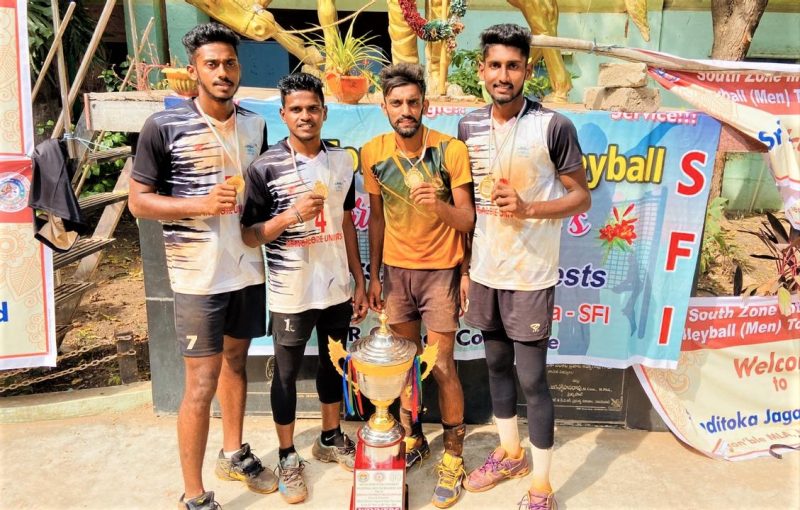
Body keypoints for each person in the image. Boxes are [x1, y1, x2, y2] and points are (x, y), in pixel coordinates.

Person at [128, 23, 277, 510]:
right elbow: (138, 202)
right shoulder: (163, 126)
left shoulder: (254, 124)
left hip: (246, 269)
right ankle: (193, 495)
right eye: (211, 64)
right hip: (197, 276)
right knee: (200, 383)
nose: (222, 72)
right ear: (193, 71)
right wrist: (200, 204)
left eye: (230, 63)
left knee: (237, 363)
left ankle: (233, 453)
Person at [457, 24, 591, 510]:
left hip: (531, 274)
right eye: (495, 65)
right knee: (495, 365)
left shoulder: (553, 126)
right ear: (481, 69)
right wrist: (466, 270)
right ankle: (511, 454)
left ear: (528, 70)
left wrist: (529, 207)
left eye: (513, 66)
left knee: (532, 379)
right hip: (486, 269)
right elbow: (468, 208)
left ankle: (542, 485)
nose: (503, 75)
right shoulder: (468, 126)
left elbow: (581, 197)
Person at [240, 72, 369, 504]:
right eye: (296, 109)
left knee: (334, 364)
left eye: (313, 108)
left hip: (335, 286)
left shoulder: (341, 161)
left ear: (324, 112)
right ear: (283, 115)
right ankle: (287, 455)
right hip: (291, 289)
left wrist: (359, 278)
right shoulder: (264, 167)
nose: (305, 116)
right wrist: (291, 215)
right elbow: (250, 235)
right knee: (287, 373)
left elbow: (347, 222)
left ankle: (330, 438)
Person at [362, 63, 475, 509]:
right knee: (405, 366)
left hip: (440, 273)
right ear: (384, 106)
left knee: (442, 365)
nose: (405, 110)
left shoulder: (450, 150)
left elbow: (467, 220)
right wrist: (373, 275)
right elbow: (375, 219)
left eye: (413, 102)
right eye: (397, 103)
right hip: (396, 275)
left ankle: (454, 456)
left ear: (425, 104)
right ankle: (414, 437)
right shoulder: (373, 152)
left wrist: (438, 203)